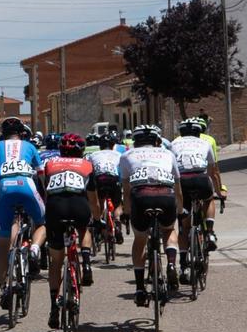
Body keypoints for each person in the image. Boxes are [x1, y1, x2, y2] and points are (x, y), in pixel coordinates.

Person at [0, 120, 46, 312]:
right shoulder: (30, 146)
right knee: (42, 222)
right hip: (26, 185)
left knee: (3, 241)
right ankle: (35, 248)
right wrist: (42, 196)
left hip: (3, 189)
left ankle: (4, 286)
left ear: (3, 134)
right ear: (21, 134)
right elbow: (41, 175)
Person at [120, 124, 180, 306]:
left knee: (140, 239)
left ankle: (139, 288)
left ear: (135, 142)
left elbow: (126, 189)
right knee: (169, 230)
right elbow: (178, 188)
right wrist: (180, 210)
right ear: (157, 141)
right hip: (165, 195)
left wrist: (127, 211)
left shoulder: (126, 155)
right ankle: (171, 263)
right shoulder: (168, 154)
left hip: (141, 196)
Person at [39, 133, 95, 328]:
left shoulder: (51, 163)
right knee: (85, 228)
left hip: (55, 208)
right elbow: (92, 196)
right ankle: (86, 262)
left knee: (56, 260)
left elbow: (45, 190)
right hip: (79, 205)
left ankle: (54, 306)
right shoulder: (87, 165)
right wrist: (96, 218)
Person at [170, 118, 224, 253]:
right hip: (201, 178)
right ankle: (210, 232)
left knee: (184, 226)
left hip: (182, 182)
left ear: (181, 132)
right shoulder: (205, 143)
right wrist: (219, 192)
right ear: (199, 132)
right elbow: (213, 171)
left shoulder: (173, 144)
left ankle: (182, 264)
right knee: (208, 199)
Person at [86, 125, 126, 246]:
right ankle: (117, 222)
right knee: (118, 204)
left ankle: (99, 224)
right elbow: (121, 171)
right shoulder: (119, 155)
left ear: (100, 145)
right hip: (113, 179)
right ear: (113, 145)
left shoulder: (94, 155)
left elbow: (89, 171)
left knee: (99, 202)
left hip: (99, 179)